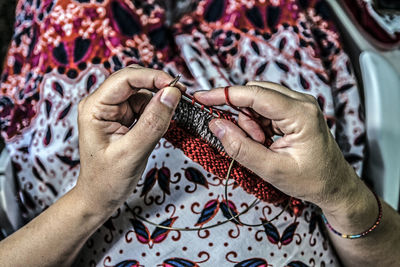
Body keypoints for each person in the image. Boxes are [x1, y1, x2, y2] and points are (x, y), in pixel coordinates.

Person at [0, 0, 398, 266]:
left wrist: (91, 198)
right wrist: (340, 192)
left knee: (74, 17)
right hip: (275, 113)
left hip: (77, 162)